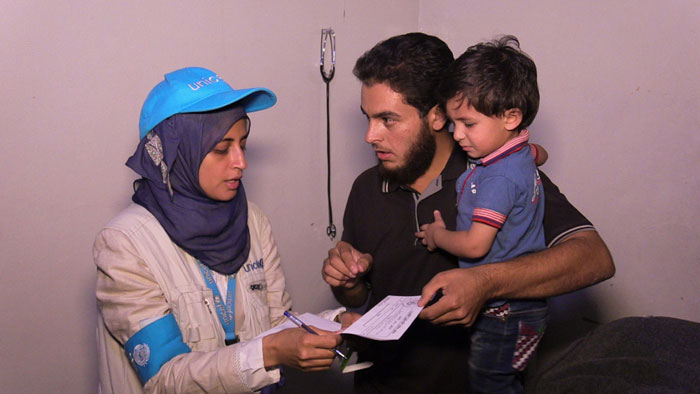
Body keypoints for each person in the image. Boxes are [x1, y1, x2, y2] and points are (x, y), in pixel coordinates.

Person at [321, 32, 615, 393]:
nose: (370, 135)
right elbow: (360, 297)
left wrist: (485, 282)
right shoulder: (367, 187)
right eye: (367, 118)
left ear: (438, 116)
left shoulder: (498, 175)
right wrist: (347, 281)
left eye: (388, 119)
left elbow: (593, 258)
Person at [94, 66, 344, 394]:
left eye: (243, 144)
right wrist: (268, 353)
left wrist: (336, 325)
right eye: (222, 149)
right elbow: (164, 378)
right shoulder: (125, 244)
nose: (241, 162)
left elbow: (279, 324)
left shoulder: (253, 220)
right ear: (177, 153)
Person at [415, 35, 548, 393]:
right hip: (524, 306)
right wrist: (531, 151)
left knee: (490, 383)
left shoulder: (499, 177)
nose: (457, 134)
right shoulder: (516, 151)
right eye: (453, 122)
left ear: (511, 117)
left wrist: (436, 234)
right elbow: (539, 154)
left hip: (504, 310)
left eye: (468, 124)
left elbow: (475, 246)